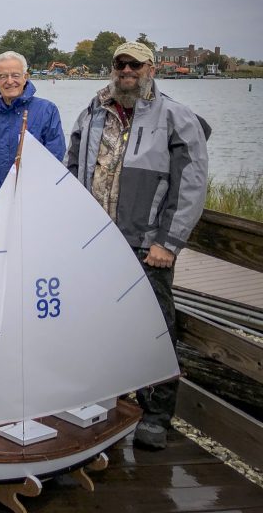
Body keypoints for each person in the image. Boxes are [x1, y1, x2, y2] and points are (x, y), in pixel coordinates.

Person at [66, 41, 208, 451]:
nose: (127, 70)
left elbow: (191, 184)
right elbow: (72, 169)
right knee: (99, 327)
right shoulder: (91, 113)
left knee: (155, 331)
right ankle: (111, 405)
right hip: (96, 244)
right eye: (120, 63)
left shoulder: (175, 116)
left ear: (150, 69)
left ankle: (156, 416)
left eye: (136, 64)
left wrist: (169, 241)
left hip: (147, 246)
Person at [0, 50, 65, 198]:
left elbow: (54, 157)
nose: (9, 81)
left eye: (15, 75)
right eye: (3, 76)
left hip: (34, 201)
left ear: (25, 77)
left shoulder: (47, 111)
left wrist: (30, 195)